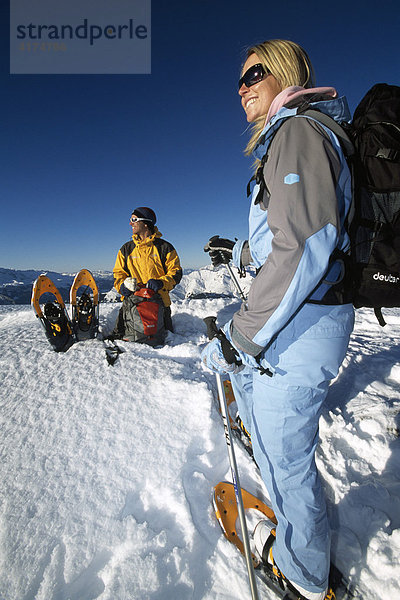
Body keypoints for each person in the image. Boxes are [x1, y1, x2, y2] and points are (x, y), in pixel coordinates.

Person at [202, 39, 354, 600]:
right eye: (239, 79)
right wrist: (243, 254)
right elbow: (289, 239)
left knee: (288, 465)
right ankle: (301, 551)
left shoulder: (296, 131)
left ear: (285, 73)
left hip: (298, 329)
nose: (243, 86)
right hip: (302, 322)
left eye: (255, 74)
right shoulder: (296, 136)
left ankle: (304, 578)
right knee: (276, 447)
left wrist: (237, 339)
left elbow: (305, 245)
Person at [112, 206, 182, 337]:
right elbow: (118, 274)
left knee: (165, 340)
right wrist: (123, 286)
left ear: (145, 223)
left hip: (160, 304)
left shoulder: (164, 248)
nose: (130, 223)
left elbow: (176, 272)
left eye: (134, 219)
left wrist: (161, 283)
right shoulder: (126, 249)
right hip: (132, 305)